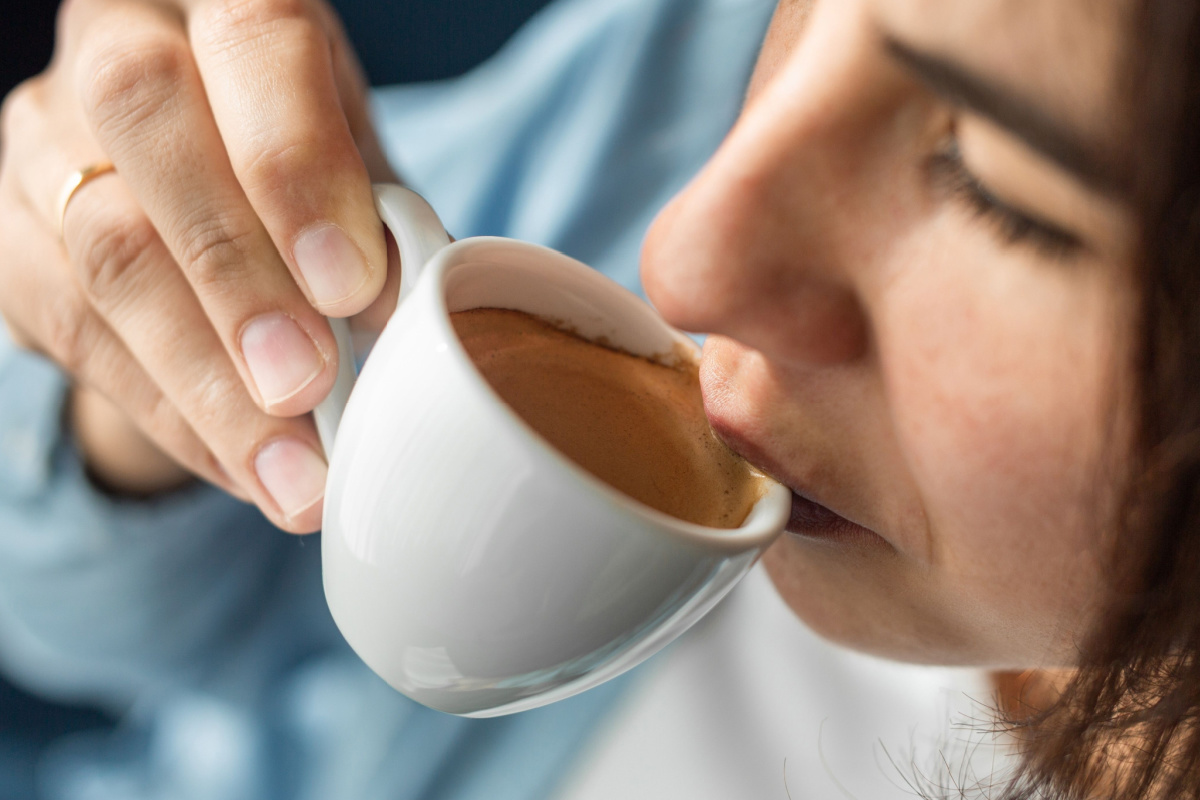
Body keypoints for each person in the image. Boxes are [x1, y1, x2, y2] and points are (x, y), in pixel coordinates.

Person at [0, 0, 1197, 797]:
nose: (683, 263)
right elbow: (107, 631)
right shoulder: (691, 62)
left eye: (993, 187)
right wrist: (153, 376)